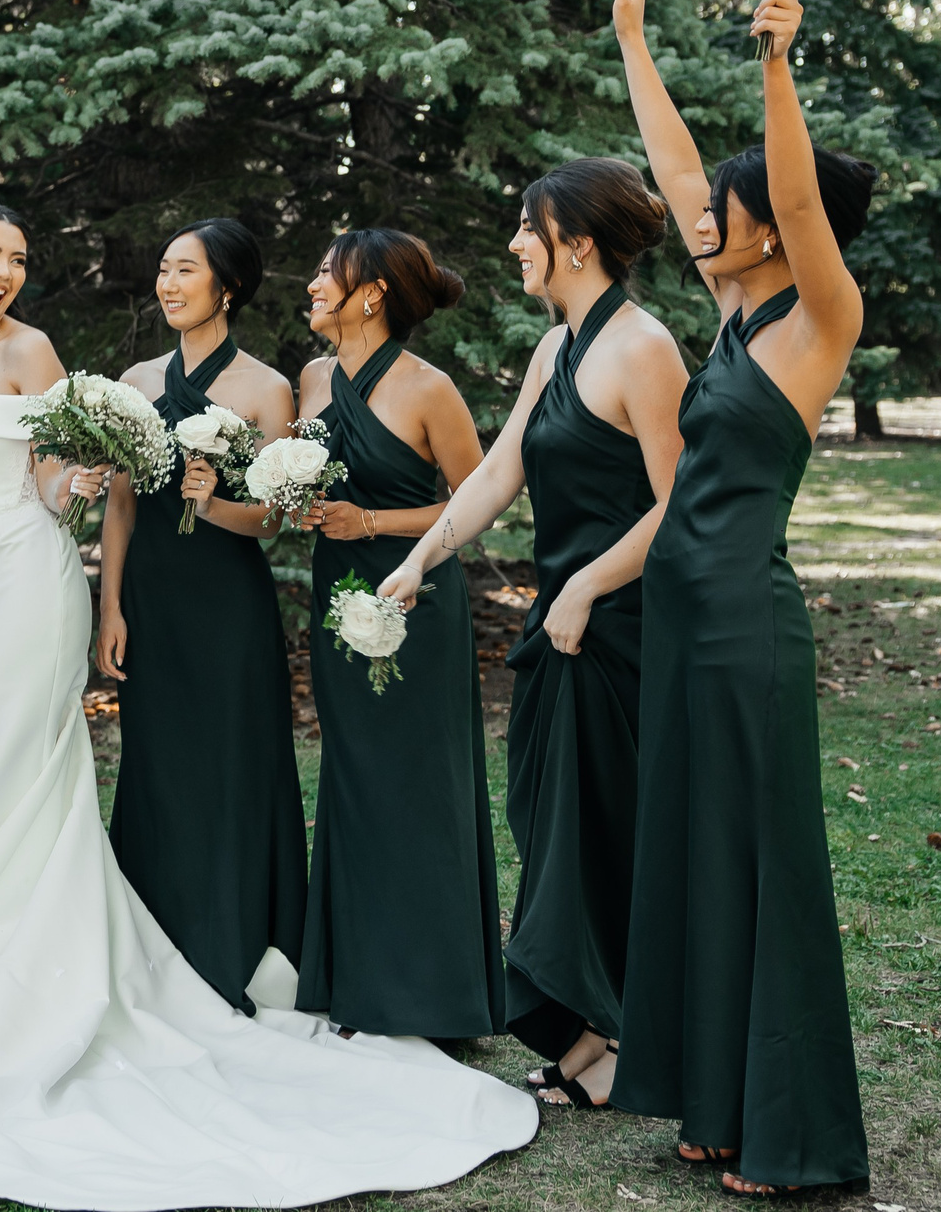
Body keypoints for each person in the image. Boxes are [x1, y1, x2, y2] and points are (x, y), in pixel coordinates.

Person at [0, 204, 538, 1211]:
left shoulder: (35, 350)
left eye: (19, 257)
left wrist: (79, 480)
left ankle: (28, 992)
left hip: (27, 580)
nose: (5, 272)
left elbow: (66, 478)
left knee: (23, 777)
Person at [609, 0, 873, 1196]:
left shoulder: (821, 320)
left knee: (762, 865)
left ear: (770, 224)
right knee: (700, 859)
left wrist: (775, 59)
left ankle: (788, 1132)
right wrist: (634, 46)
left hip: (746, 633)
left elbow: (805, 201)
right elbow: (669, 170)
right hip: (679, 626)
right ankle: (713, 1106)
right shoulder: (731, 313)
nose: (703, 220)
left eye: (730, 207)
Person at [380, 162, 687, 1109]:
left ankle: (623, 1039)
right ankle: (582, 1035)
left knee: (599, 833)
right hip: (564, 628)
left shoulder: (645, 350)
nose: (516, 242)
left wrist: (588, 585)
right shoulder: (556, 349)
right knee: (551, 827)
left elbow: (683, 506)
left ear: (578, 243)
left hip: (623, 628)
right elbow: (497, 473)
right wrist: (420, 557)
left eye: (529, 227)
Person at [94, 217, 306, 1014]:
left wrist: (215, 502)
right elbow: (119, 499)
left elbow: (273, 519)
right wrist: (110, 604)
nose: (168, 283)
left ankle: (234, 940)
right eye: (163, 267)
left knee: (231, 764)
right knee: (156, 763)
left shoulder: (264, 388)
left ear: (229, 285)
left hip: (227, 604)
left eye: (186, 269)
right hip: (151, 596)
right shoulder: (137, 380)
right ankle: (155, 940)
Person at [294, 228, 501, 1042]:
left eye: (324, 272)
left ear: (371, 292)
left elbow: (477, 501)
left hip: (414, 598)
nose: (312, 285)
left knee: (420, 786)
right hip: (335, 594)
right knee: (353, 779)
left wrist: (370, 520)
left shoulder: (428, 388)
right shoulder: (312, 377)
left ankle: (435, 995)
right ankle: (360, 983)